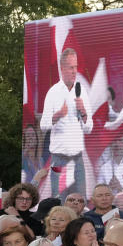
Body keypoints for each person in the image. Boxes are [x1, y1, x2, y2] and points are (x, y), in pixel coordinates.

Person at [39, 48, 93, 198]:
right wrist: (57, 116)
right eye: (71, 67)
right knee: (59, 202)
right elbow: (43, 125)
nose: (74, 71)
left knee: (80, 201)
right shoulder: (53, 92)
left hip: (77, 159)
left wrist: (83, 112)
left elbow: (89, 128)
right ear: (62, 68)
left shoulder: (81, 91)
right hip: (59, 160)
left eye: (76, 67)